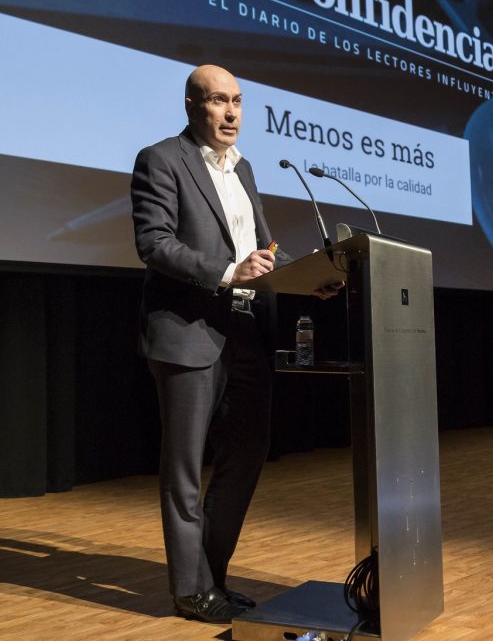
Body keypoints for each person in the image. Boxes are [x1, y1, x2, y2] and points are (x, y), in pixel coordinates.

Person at [131, 64, 341, 624]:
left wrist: (306, 278)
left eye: (238, 102)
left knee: (246, 454)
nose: (231, 113)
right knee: (184, 466)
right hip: (189, 332)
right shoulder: (161, 159)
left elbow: (260, 251)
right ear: (192, 105)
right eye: (218, 101)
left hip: (249, 332)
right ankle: (190, 589)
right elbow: (154, 243)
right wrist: (228, 272)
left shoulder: (243, 168)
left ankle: (212, 578)